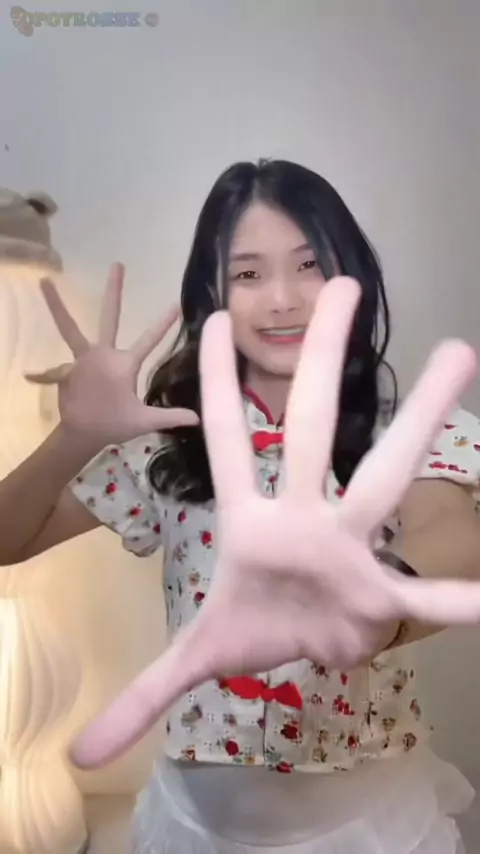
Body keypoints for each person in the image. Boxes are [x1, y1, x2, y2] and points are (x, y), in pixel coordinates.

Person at [1, 159, 480, 853]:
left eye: (309, 265)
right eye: (249, 273)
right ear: (212, 294)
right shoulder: (169, 440)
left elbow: (453, 532)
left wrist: (371, 606)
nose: (282, 299)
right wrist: (72, 438)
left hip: (367, 828)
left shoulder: (410, 426)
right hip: (190, 827)